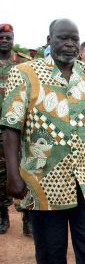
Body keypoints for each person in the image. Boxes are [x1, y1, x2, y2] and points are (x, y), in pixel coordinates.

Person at [1, 18, 85, 264]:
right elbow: (11, 127)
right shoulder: (24, 73)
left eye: (74, 39)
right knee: (51, 255)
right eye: (63, 38)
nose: (69, 44)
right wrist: (13, 174)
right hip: (43, 183)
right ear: (49, 39)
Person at [0, 23, 32, 235]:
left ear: (14, 38)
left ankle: (28, 218)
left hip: (19, 128)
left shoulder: (25, 63)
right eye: (1, 37)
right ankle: (2, 213)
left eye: (8, 37)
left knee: (25, 169)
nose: (4, 40)